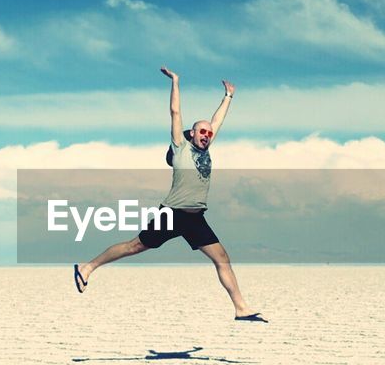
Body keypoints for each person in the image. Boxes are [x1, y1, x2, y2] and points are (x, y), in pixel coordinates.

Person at [73, 67, 267, 322]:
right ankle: (87, 267)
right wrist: (175, 82)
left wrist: (228, 97)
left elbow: (217, 121)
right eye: (202, 132)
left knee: (222, 258)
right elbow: (175, 112)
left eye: (209, 134)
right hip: (172, 214)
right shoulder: (180, 148)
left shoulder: (205, 151)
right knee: (135, 246)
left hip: (196, 218)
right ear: (192, 134)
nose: (207, 135)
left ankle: (241, 308)